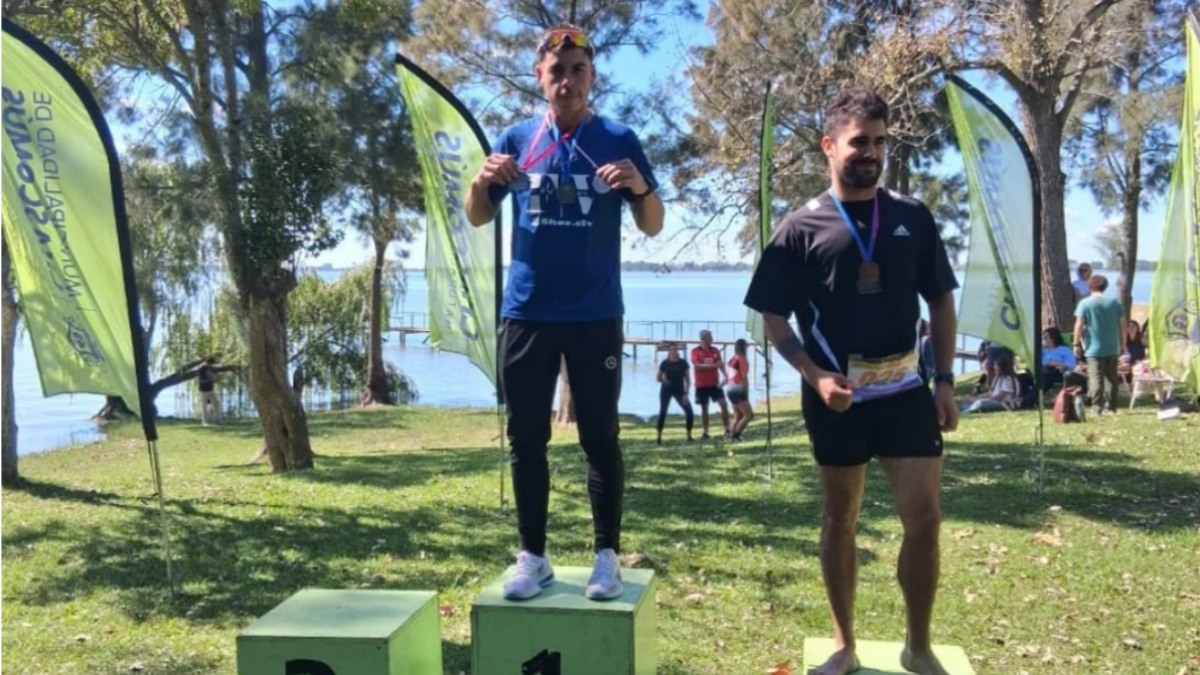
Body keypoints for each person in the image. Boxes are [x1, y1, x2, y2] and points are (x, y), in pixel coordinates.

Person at [744, 88, 960, 675]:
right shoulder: (801, 226)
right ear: (829, 146)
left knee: (926, 517)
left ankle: (918, 645)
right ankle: (845, 644)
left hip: (904, 391)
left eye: (880, 141)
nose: (871, 152)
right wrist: (813, 377)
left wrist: (944, 381)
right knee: (840, 518)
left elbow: (941, 300)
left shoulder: (911, 217)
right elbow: (772, 315)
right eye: (859, 141)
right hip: (837, 398)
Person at [463, 23, 664, 602]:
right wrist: (480, 181)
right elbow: (479, 215)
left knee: (600, 439)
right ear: (540, 77)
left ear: (591, 77)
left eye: (578, 71)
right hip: (526, 312)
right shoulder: (518, 136)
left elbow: (652, 225)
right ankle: (533, 557)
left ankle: (607, 558)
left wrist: (640, 188)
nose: (568, 80)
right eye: (558, 71)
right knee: (526, 438)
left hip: (595, 313)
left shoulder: (619, 137)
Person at [1073, 275, 1126, 415]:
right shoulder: (1115, 303)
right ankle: (1111, 407)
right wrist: (1123, 344)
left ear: (1089, 287)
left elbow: (1079, 325)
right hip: (1112, 347)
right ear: (1105, 287)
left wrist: (1076, 343)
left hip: (1094, 348)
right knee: (1112, 378)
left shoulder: (1085, 303)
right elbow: (1122, 326)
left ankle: (1097, 407)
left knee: (1096, 378)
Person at [690, 330, 730, 440]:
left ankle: (727, 429)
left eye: (711, 336)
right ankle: (705, 432)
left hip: (715, 384)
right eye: (710, 336)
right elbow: (698, 366)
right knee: (704, 408)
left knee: (723, 404)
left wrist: (725, 374)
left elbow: (720, 364)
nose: (712, 338)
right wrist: (714, 366)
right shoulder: (695, 351)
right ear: (704, 338)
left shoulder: (715, 350)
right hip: (701, 384)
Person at [656, 343, 695, 446]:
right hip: (666, 390)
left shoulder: (683, 363)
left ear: (678, 351)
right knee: (663, 412)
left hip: (680, 391)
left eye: (675, 349)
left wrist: (686, 393)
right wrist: (664, 380)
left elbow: (688, 380)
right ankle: (659, 438)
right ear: (668, 351)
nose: (673, 351)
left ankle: (689, 436)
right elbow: (658, 378)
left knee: (689, 412)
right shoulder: (665, 363)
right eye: (671, 350)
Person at [724, 339, 754, 442]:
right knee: (749, 415)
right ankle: (736, 435)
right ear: (743, 348)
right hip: (738, 389)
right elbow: (744, 378)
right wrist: (746, 393)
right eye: (746, 347)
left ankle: (730, 435)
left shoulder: (732, 359)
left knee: (738, 415)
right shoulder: (742, 359)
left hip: (730, 388)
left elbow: (728, 375)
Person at [1040, 327, 1077, 392]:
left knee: (1045, 378)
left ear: (1053, 338)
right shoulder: (1043, 351)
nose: (1043, 340)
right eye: (1042, 338)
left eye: (1045, 338)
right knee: (1022, 377)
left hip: (1057, 373)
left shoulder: (1064, 350)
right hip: (1041, 371)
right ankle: (1021, 397)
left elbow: (1072, 365)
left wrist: (1058, 363)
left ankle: (1028, 400)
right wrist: (1047, 363)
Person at [197, 357, 220, 425]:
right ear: (208, 363)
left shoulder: (209, 368)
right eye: (211, 364)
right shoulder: (201, 369)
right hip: (204, 389)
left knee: (216, 403)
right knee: (204, 405)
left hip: (211, 388)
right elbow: (201, 380)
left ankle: (216, 420)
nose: (211, 365)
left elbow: (211, 376)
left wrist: (214, 379)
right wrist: (210, 380)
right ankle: (204, 421)